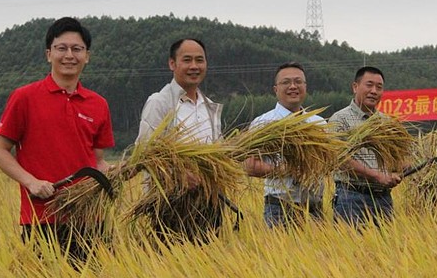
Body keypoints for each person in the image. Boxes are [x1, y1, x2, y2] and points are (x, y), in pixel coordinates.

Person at [0, 17, 115, 263]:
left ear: (87, 56)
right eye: (62, 48)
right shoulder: (25, 97)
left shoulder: (98, 104)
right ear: (49, 54)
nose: (69, 55)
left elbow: (97, 162)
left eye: (77, 49)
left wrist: (117, 172)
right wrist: (31, 182)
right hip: (41, 217)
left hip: (90, 218)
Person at [135, 38, 225, 242]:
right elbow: (145, 153)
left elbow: (218, 152)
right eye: (187, 60)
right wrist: (178, 174)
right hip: (170, 206)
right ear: (172, 64)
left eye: (199, 60)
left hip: (209, 205)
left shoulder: (210, 107)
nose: (194, 66)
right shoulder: (160, 102)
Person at [244, 62, 325, 228]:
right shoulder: (263, 123)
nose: (293, 86)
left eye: (298, 82)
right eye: (286, 82)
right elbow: (249, 166)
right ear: (275, 89)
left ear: (305, 86)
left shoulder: (319, 124)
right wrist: (287, 169)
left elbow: (329, 163)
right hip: (279, 208)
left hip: (314, 208)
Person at [329, 66, 402, 227]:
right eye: (369, 85)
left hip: (383, 199)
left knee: (386, 250)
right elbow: (339, 159)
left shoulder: (387, 123)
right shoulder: (340, 119)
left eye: (379, 87)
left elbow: (396, 158)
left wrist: (397, 171)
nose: (374, 91)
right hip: (352, 198)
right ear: (355, 87)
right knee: (349, 250)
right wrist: (377, 176)